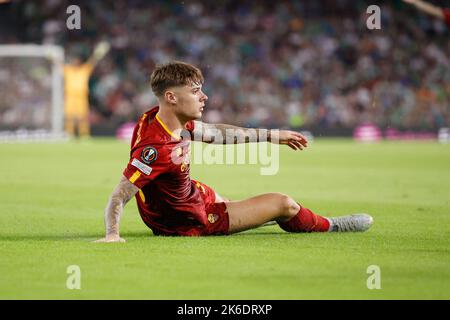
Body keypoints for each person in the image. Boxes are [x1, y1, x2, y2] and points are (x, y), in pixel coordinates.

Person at [95, 61, 373, 242]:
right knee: (283, 203)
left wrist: (271, 136)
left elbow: (218, 133)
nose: (203, 97)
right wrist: (112, 235)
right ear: (171, 97)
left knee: (223, 198)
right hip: (189, 221)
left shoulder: (160, 118)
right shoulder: (155, 149)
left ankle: (259, 217)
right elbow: (119, 195)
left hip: (187, 196)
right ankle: (332, 225)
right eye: (195, 91)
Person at [64, 41, 110, 138]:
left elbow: (92, 62)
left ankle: (84, 134)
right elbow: (58, 65)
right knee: (69, 116)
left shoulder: (84, 70)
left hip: (81, 97)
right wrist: (51, 58)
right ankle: (69, 133)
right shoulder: (67, 70)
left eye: (76, 60)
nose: (75, 62)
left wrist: (98, 53)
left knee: (83, 116)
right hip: (70, 97)